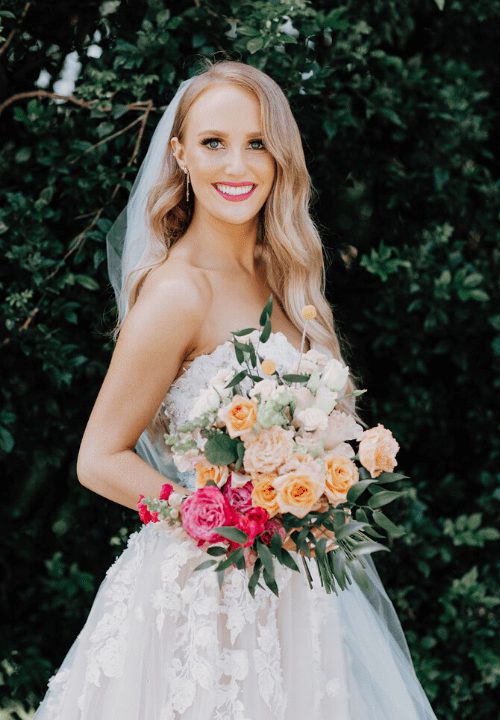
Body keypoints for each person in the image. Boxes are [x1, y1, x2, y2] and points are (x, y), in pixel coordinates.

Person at [34, 61, 437, 718]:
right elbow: (99, 458)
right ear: (180, 156)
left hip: (299, 587)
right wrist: (213, 518)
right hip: (205, 595)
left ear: (279, 158)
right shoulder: (176, 291)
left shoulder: (285, 278)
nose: (237, 165)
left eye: (256, 143)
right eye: (213, 142)